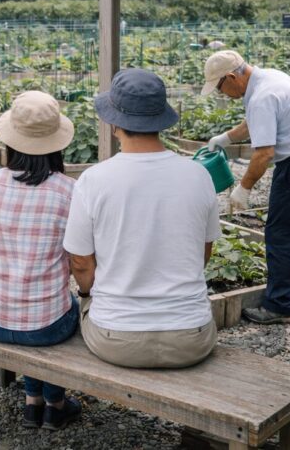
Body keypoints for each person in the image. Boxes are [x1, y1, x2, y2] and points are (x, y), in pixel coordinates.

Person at [64, 69, 219, 369]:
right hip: (191, 337)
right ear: (160, 119)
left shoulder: (93, 180)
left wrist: (86, 294)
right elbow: (203, 252)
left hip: (115, 338)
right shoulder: (199, 175)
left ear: (113, 124)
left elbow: (80, 262)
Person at [0, 90, 82, 431]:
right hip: (46, 326)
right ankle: (54, 405)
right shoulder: (69, 191)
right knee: (65, 308)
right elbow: (79, 261)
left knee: (39, 313)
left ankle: (33, 400)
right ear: (57, 144)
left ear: (11, 140)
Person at [202, 50, 290, 325]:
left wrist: (244, 188)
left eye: (220, 88)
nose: (222, 94)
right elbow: (255, 121)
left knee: (281, 235)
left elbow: (264, 154)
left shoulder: (261, 97)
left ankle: (280, 307)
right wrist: (226, 138)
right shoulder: (270, 78)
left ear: (231, 77)